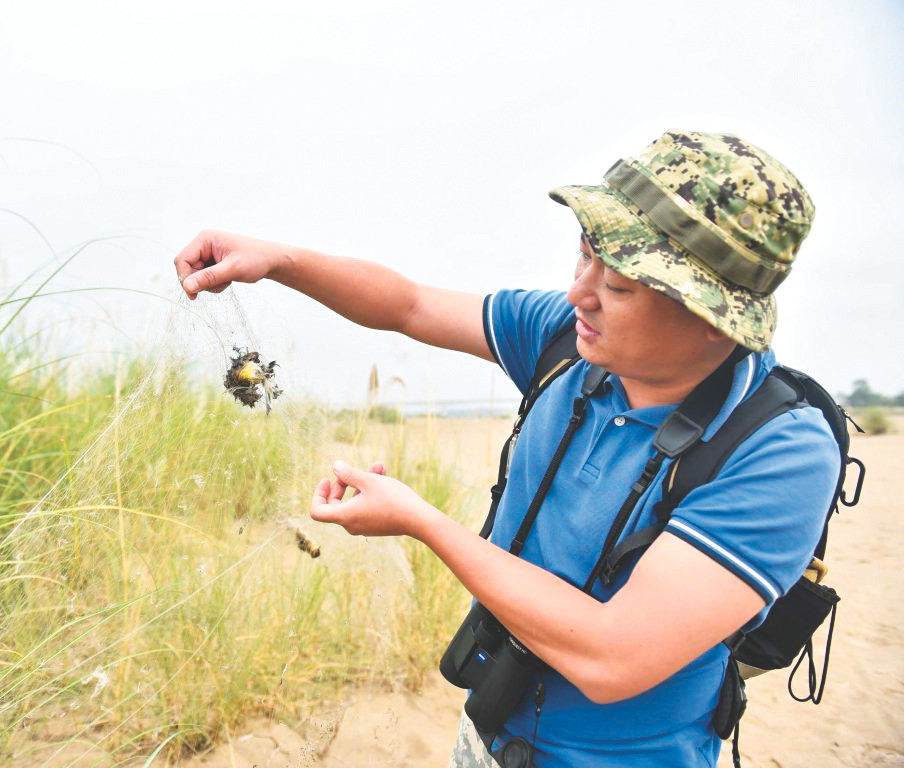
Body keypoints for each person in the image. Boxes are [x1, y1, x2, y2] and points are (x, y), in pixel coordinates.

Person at [173, 129, 840, 767]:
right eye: (585, 255)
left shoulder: (778, 451)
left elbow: (613, 658)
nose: (581, 293)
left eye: (619, 287)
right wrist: (278, 260)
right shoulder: (567, 339)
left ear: (712, 321)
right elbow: (407, 305)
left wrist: (422, 522)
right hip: (488, 724)